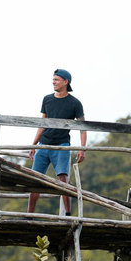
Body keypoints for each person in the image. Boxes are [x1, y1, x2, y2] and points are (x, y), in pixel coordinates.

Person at [28, 68, 86, 215]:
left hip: (62, 145)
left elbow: (83, 127)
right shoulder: (47, 99)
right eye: (53, 79)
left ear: (65, 82)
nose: (53, 82)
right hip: (44, 144)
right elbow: (42, 123)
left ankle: (68, 214)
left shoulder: (75, 103)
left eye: (56, 79)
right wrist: (33, 145)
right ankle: (30, 215)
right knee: (35, 179)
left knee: (63, 178)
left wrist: (82, 149)